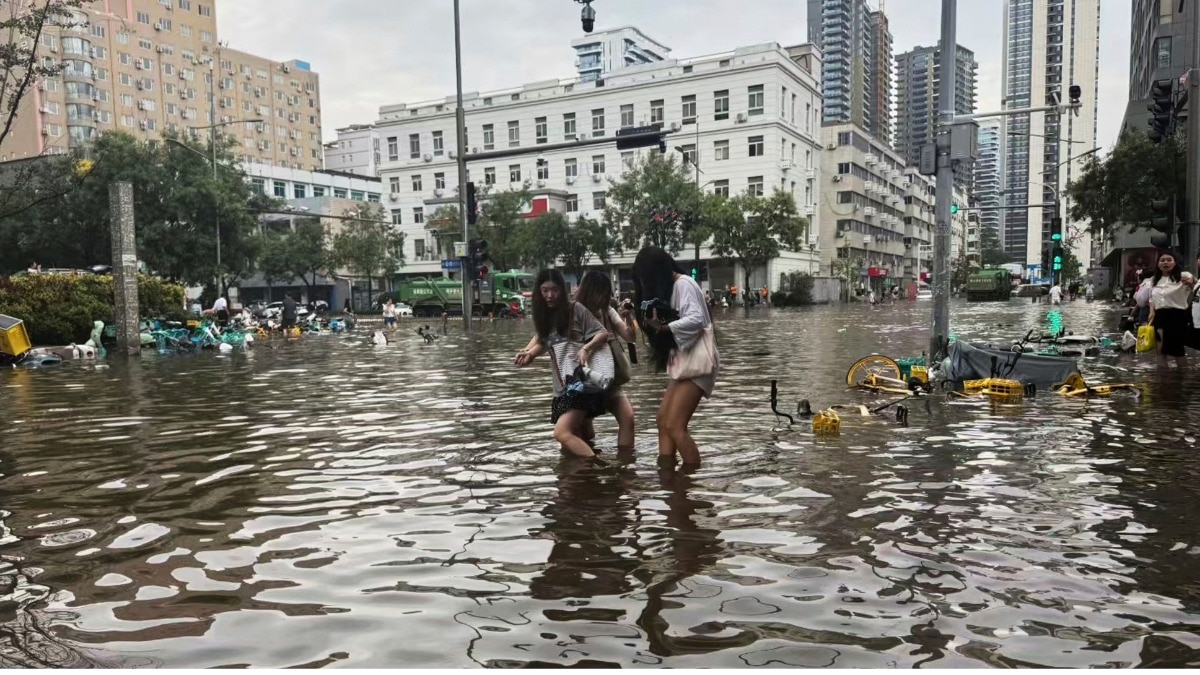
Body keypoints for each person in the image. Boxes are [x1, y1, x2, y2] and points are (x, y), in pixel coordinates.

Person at [633, 246, 719, 468]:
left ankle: (690, 477)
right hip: (684, 361)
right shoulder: (670, 289)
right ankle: (668, 473)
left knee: (675, 425)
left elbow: (697, 319)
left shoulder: (683, 284)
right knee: (663, 420)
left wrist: (664, 328)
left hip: (698, 361)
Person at [514, 269, 609, 459]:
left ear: (562, 290)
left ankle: (600, 468)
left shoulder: (576, 309)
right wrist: (530, 354)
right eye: (545, 290)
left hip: (579, 384)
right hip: (561, 387)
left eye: (555, 290)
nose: (550, 295)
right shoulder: (545, 316)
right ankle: (586, 482)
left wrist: (586, 348)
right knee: (575, 440)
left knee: (561, 433)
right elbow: (545, 342)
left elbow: (602, 333)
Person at [575, 271, 637, 453]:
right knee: (584, 429)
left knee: (628, 418)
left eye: (605, 293)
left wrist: (629, 317)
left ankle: (625, 464)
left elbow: (629, 336)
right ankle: (588, 467)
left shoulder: (607, 311)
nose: (602, 297)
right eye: (599, 292)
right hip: (584, 381)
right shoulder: (574, 312)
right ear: (588, 291)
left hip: (609, 378)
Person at [1147, 250, 1195, 368]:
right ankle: (1163, 378)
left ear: (1175, 262)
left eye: (1169, 260)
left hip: (1177, 316)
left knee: (1177, 349)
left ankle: (1181, 376)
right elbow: (1152, 298)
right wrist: (1152, 311)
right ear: (1158, 263)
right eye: (1162, 260)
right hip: (1159, 316)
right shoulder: (1154, 280)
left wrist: (1191, 284)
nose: (1165, 263)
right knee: (1160, 349)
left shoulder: (1185, 276)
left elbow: (1198, 291)